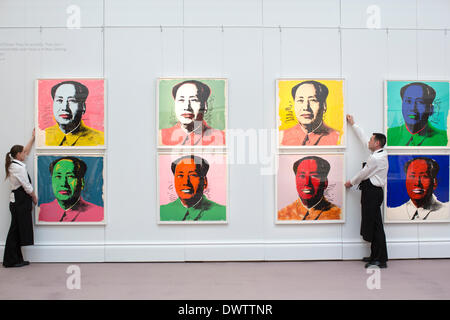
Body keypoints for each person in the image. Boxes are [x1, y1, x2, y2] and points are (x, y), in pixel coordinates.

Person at [345, 115, 389, 268]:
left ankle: (379, 260)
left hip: (372, 194)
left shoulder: (375, 159)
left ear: (377, 143)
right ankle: (376, 256)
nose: (368, 142)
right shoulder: (379, 154)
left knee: (376, 226)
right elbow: (364, 140)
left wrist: (350, 182)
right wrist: (353, 124)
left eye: (371, 140)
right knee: (374, 224)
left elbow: (363, 173)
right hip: (373, 193)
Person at [3, 130, 37, 268]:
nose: (25, 154)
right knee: (15, 231)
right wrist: (34, 197)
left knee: (16, 230)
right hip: (19, 201)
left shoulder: (15, 164)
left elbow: (26, 150)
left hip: (17, 202)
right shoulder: (18, 168)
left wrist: (33, 138)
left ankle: (15, 259)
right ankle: (10, 260)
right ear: (18, 155)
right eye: (23, 153)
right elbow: (27, 186)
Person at [159, 80, 226, 146]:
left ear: (205, 106)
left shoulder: (221, 138)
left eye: (194, 100)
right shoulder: (161, 137)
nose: (187, 107)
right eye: (181, 100)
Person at [160, 155, 226, 221]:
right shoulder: (161, 212)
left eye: (192, 175)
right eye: (180, 175)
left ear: (205, 182)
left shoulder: (222, 213)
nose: (185, 182)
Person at [38, 157, 103, 222]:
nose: (63, 183)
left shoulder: (99, 214)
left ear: (82, 182)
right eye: (58, 176)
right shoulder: (41, 211)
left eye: (70, 176)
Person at [278, 156, 341, 221]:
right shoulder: (283, 215)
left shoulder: (338, 215)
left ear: (325, 182)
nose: (307, 183)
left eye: (314, 176)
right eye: (302, 176)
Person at [42, 80, 104, 146]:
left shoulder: (100, 139)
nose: (64, 108)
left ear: (83, 107)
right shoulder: (43, 136)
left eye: (72, 101)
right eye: (59, 100)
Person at [280, 80, 340, 146]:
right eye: (300, 100)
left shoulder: (338, 138)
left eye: (313, 100)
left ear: (324, 106)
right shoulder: (281, 137)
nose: (305, 107)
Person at [387, 82, 447, 146]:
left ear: (430, 109)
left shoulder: (442, 138)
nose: (412, 108)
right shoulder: (390, 134)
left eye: (420, 102)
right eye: (408, 101)